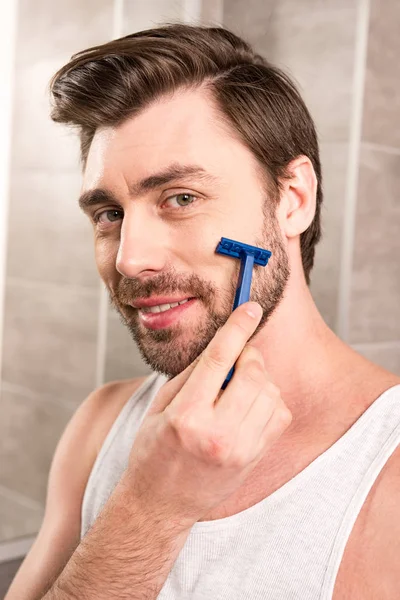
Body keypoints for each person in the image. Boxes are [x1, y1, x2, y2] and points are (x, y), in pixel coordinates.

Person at [6, 23, 400, 600]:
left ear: (293, 200)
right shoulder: (99, 425)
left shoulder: (386, 471)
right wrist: (149, 509)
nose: (130, 259)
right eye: (109, 213)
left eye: (181, 198)